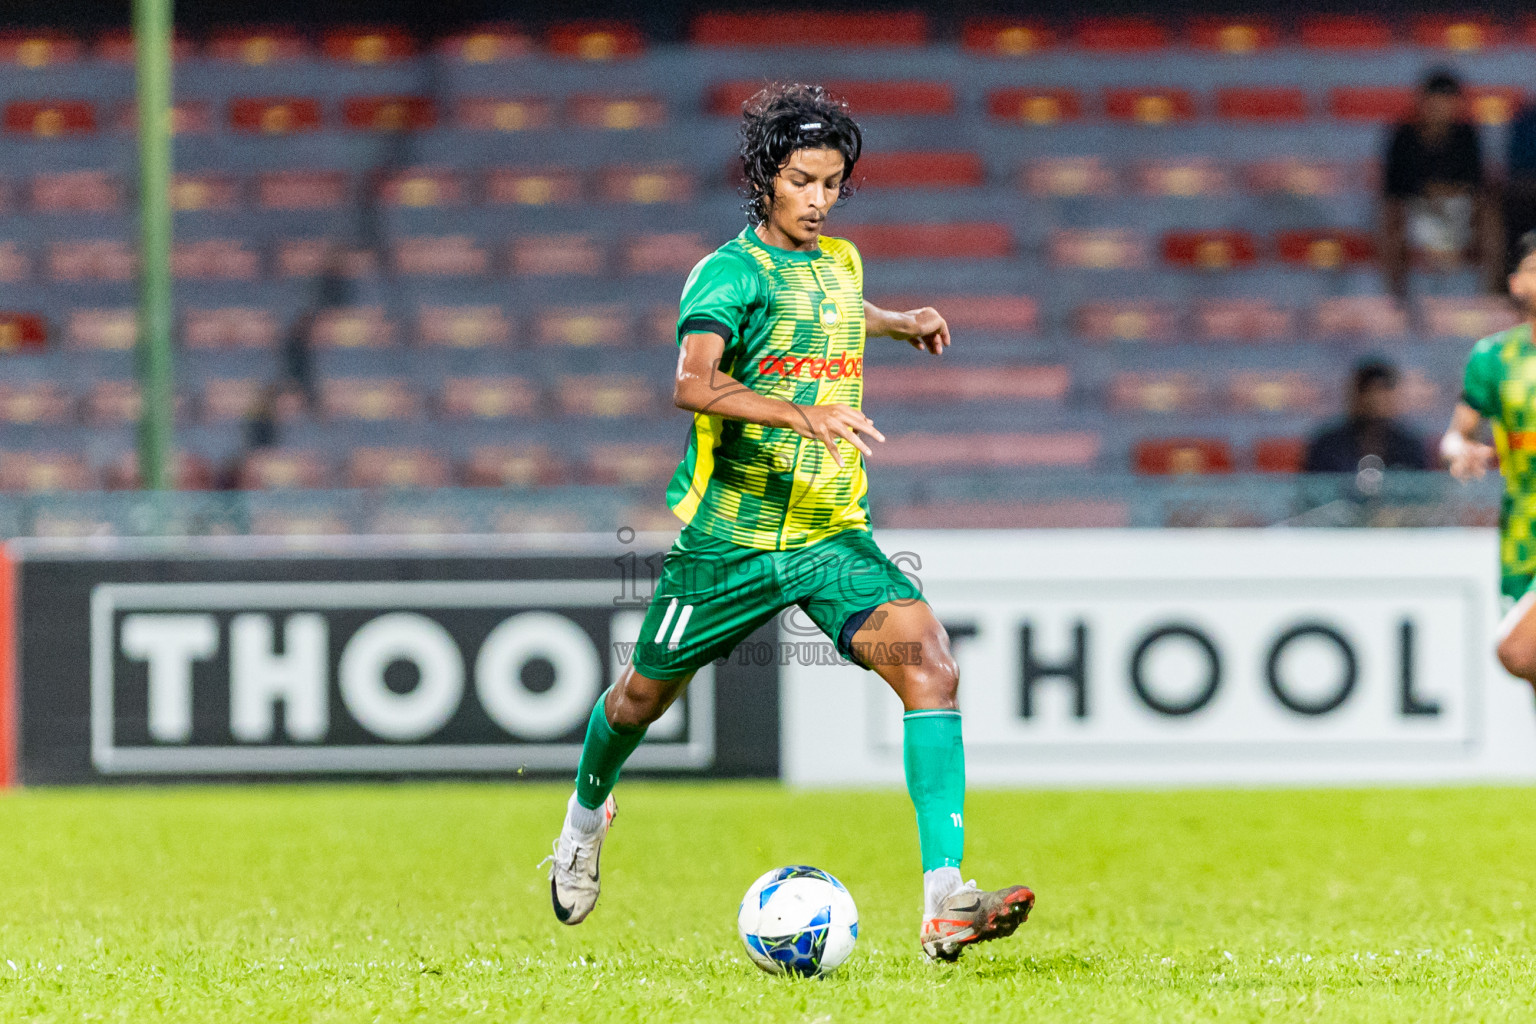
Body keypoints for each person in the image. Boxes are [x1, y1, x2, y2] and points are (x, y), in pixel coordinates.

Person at [545, 83, 1034, 962]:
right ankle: (584, 820)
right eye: (804, 181)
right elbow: (691, 383)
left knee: (932, 670)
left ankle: (943, 901)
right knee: (639, 698)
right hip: (729, 542)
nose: (819, 200)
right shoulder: (725, 273)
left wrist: (899, 323)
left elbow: (839, 313)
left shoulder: (840, 262)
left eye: (834, 182)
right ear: (766, 178)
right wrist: (798, 414)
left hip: (827, 534)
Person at [1443, 230, 1536, 685]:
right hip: (1522, 529)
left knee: (1517, 651)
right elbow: (1455, 436)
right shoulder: (1493, 358)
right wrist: (1462, 451)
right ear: (1516, 283)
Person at [1380, 69, 1500, 299]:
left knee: (1490, 220)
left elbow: (1475, 185)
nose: (1440, 111)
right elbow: (1393, 190)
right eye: (1434, 104)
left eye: (1446, 104)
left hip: (1457, 213)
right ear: (1422, 103)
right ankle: (1395, 300)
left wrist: (1445, 195)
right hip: (1417, 213)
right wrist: (1427, 196)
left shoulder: (1467, 134)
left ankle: (1490, 297)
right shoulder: (1403, 137)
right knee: (1390, 221)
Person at [1303, 359, 1429, 473]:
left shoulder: (1410, 446)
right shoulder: (1327, 445)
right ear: (1355, 395)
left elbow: (1420, 491)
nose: (1376, 400)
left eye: (1383, 391)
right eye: (1369, 391)